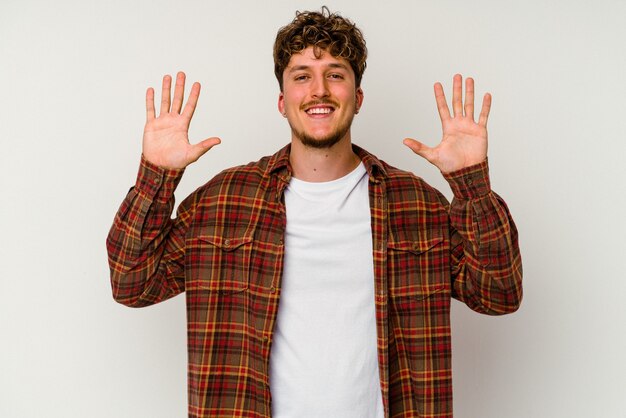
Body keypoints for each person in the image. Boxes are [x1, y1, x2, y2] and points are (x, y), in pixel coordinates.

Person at [107, 7, 522, 418]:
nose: (319, 90)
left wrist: (472, 184)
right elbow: (132, 283)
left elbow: (499, 295)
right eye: (302, 75)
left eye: (336, 74)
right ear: (282, 100)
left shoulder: (416, 204)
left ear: (357, 98)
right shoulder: (223, 202)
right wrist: (157, 176)